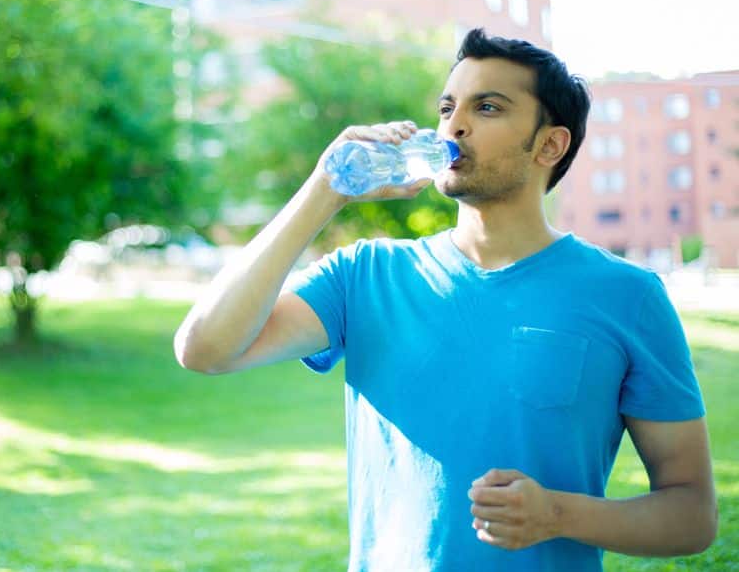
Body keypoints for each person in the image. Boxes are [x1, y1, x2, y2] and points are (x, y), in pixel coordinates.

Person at [173, 28, 717, 571]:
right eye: (447, 106)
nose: (454, 124)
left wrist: (555, 514)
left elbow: (692, 513)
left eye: (487, 107)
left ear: (549, 144)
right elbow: (205, 349)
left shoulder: (627, 295)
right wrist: (325, 189)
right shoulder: (363, 276)